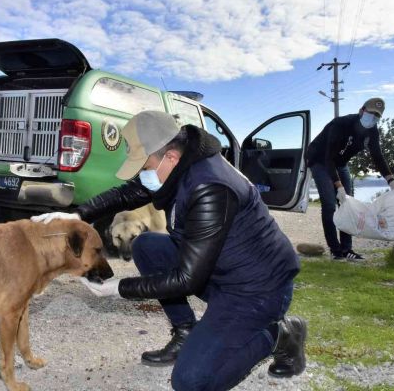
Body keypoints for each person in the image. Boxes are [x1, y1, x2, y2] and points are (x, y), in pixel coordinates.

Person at [32, 110, 307, 391]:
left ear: (171, 157)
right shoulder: (181, 165)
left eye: (145, 167)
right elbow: (129, 192)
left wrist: (119, 287)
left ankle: (280, 334)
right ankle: (186, 330)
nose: (142, 175)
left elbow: (188, 279)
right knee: (147, 246)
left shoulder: (211, 188)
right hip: (219, 271)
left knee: (191, 381)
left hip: (257, 289)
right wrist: (77, 215)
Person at [306, 98, 394, 261]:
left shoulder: (372, 131)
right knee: (329, 204)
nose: (373, 118)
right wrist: (339, 186)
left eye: (377, 116)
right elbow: (329, 158)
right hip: (320, 161)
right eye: (370, 113)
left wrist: (391, 179)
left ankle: (347, 249)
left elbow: (377, 156)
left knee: (347, 204)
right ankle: (335, 250)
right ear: (361, 110)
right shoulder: (341, 124)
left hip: (341, 163)